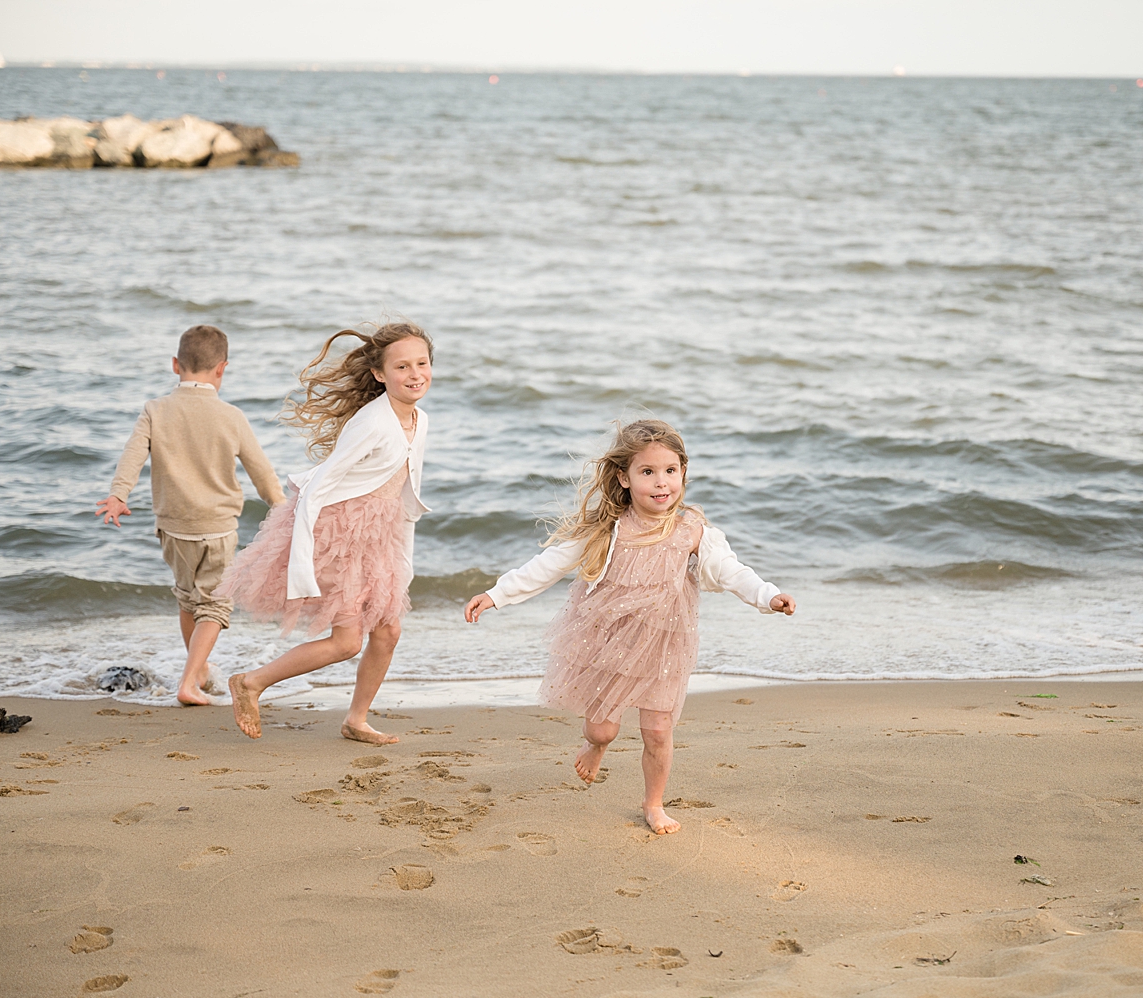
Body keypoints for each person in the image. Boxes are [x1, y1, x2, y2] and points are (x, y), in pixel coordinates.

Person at [464, 419, 796, 834]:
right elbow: (549, 565)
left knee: (658, 730)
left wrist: (768, 595)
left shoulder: (692, 530)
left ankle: (653, 803)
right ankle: (594, 745)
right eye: (648, 472)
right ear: (624, 477)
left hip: (664, 642)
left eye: (670, 471)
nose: (662, 483)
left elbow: (731, 571)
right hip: (608, 640)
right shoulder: (609, 528)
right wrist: (498, 594)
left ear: (683, 473)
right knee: (602, 728)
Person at [217, 321, 433, 746]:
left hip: (379, 533)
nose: (414, 374)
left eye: (422, 364)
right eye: (402, 366)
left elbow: (407, 492)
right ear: (379, 374)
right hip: (336, 532)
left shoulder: (419, 420)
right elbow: (317, 488)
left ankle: (356, 719)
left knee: (388, 630)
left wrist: (402, 560)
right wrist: (302, 564)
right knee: (347, 641)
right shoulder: (372, 422)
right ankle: (251, 682)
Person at [98, 324, 285, 706]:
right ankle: (190, 682)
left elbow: (132, 456)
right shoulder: (231, 416)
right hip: (216, 528)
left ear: (174, 364)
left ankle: (196, 669)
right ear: (222, 369)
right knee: (215, 606)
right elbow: (261, 472)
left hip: (173, 528)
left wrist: (118, 495)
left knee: (188, 600)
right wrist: (283, 510)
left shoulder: (155, 410)